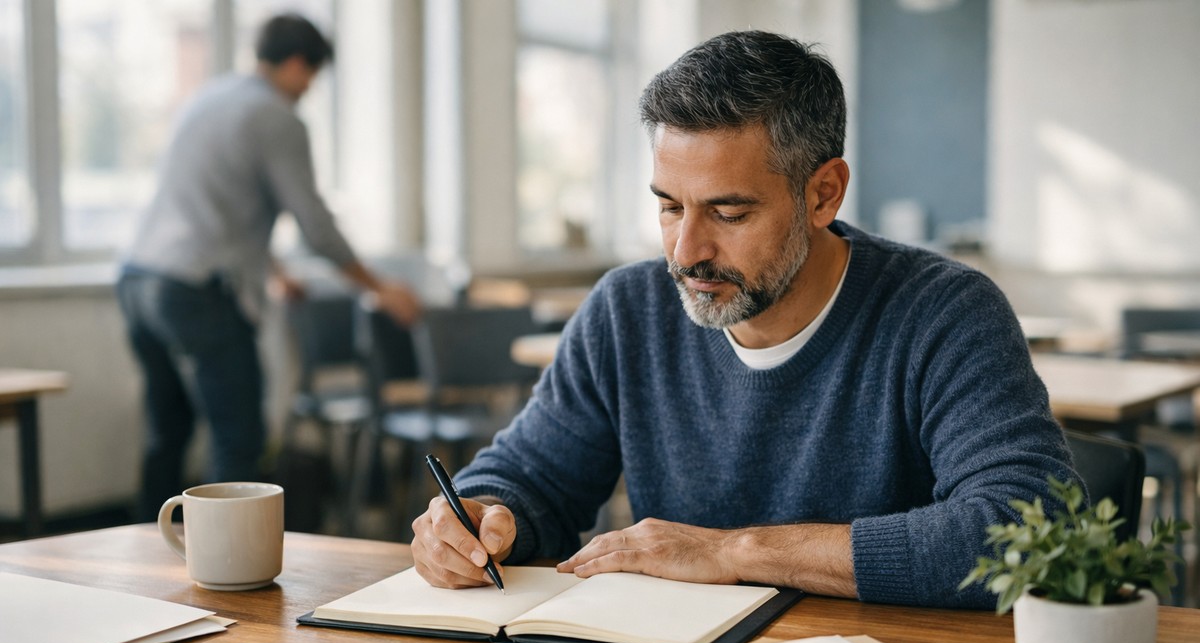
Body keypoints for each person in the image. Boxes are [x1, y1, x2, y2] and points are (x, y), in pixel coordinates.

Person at [411, 30, 1077, 609]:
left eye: (729, 213)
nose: (686, 251)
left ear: (822, 195)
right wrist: (479, 518)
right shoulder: (626, 311)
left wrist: (738, 552)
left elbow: (1029, 526)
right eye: (670, 206)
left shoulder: (943, 313)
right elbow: (530, 479)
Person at [116, 13, 420, 522]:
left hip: (138, 279)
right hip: (194, 287)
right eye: (312, 77)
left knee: (166, 431)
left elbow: (217, 203)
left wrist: (275, 270)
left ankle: (152, 564)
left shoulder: (211, 98)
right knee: (239, 435)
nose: (308, 90)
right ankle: (227, 574)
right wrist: (380, 287)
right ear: (298, 63)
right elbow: (316, 227)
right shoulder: (277, 116)